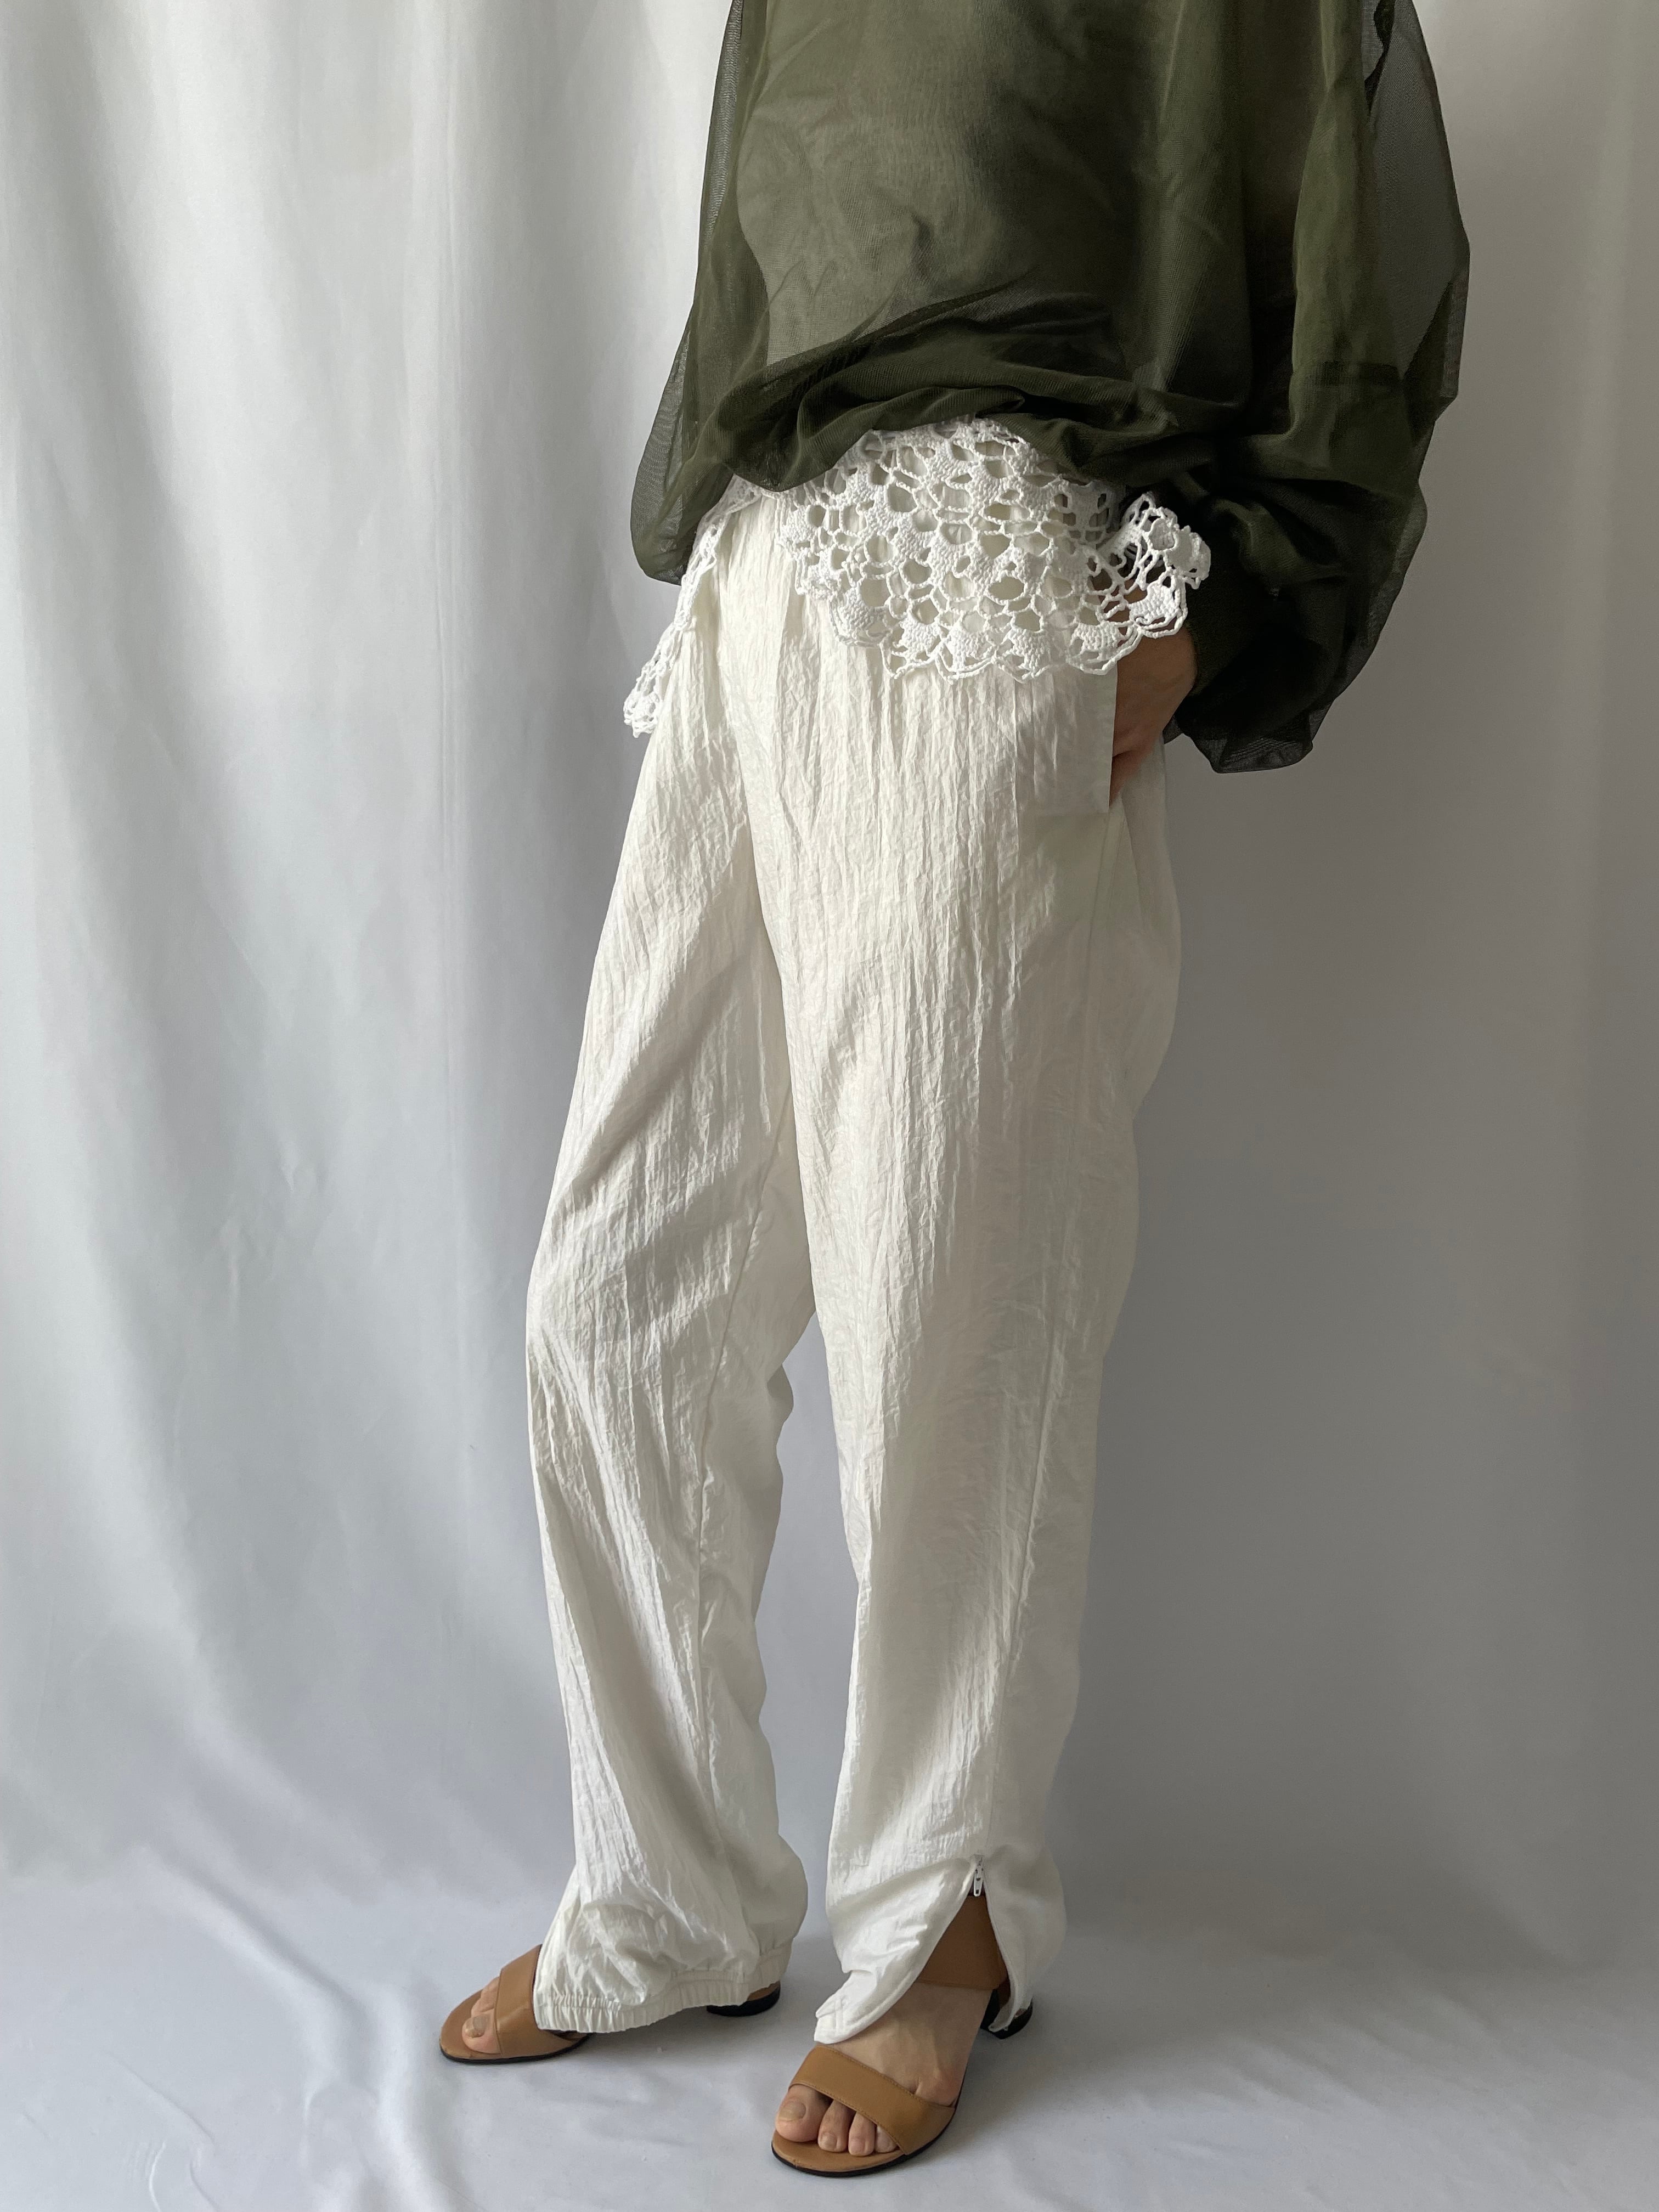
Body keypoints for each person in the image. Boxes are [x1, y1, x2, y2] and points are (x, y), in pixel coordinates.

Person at [438, 0, 1467, 2175]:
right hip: (766, 575)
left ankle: (944, 1920)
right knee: (617, 1301)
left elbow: (1350, 255)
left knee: (950, 1311)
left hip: (996, 569)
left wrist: (1214, 620)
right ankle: (672, 1891)